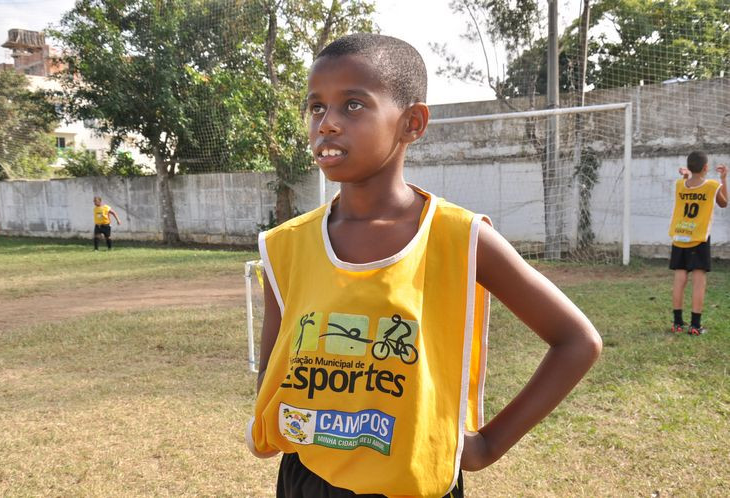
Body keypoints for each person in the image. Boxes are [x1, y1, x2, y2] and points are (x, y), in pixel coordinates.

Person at [246, 33, 602, 497]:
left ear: (412, 122)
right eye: (316, 107)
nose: (327, 124)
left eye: (352, 105)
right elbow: (276, 364)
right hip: (309, 479)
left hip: (416, 484)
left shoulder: (460, 236)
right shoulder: (287, 244)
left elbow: (577, 341)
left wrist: (487, 445)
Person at [668, 151, 727, 335]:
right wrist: (723, 179)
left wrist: (687, 176)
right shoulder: (711, 185)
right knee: (699, 281)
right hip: (698, 237)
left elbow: (689, 186)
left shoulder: (679, 185)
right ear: (706, 168)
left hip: (680, 235)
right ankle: (695, 325)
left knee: (680, 278)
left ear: (689, 167)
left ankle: (677, 323)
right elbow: (724, 203)